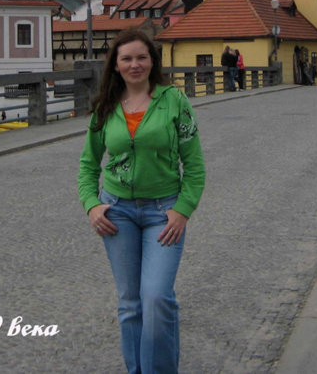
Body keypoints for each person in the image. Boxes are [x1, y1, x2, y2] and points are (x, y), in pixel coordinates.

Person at [78, 29, 206, 374]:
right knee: (130, 304)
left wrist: (182, 210)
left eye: (141, 57)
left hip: (162, 212)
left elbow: (193, 164)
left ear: (152, 61)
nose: (135, 64)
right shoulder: (105, 107)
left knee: (157, 297)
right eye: (127, 58)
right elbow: (89, 164)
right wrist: (92, 205)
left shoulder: (174, 101)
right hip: (117, 213)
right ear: (116, 66)